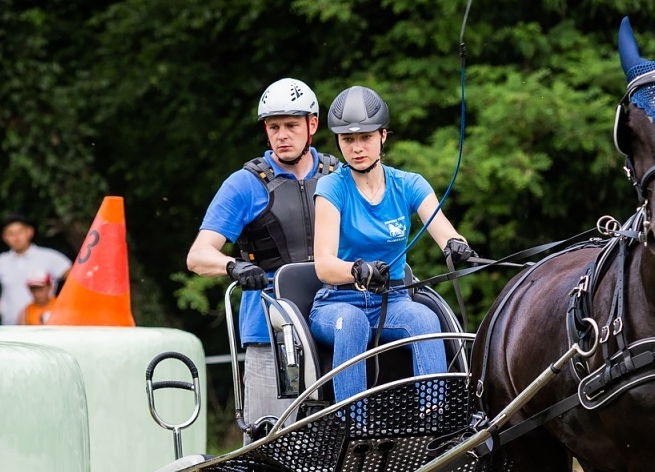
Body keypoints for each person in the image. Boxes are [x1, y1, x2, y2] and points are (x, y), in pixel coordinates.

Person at [187, 77, 339, 430]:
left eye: (291, 125)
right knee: (267, 440)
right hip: (271, 332)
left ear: (312, 125)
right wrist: (234, 266)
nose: (282, 134)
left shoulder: (339, 175)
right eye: (274, 127)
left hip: (334, 323)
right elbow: (197, 256)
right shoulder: (245, 184)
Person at [310, 85, 477, 405]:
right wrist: (359, 269)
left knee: (426, 320)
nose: (357, 147)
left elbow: (446, 232)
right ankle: (353, 429)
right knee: (353, 323)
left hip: (393, 299)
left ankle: (436, 425)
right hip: (337, 303)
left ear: (383, 136)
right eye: (348, 139)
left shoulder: (409, 184)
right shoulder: (332, 187)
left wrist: (456, 246)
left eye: (366, 137)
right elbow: (324, 265)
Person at [0, 215, 71, 326]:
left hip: (44, 327)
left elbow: (76, 279)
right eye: (11, 234)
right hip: (11, 327)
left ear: (29, 232)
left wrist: (61, 306)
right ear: (4, 237)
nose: (16, 237)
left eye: (20, 232)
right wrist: (1, 308)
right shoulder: (1, 262)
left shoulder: (50, 257)